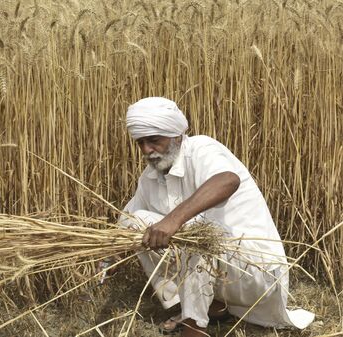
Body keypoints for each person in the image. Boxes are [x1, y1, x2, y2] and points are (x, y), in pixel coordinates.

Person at [117, 97, 314, 337]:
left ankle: (194, 328)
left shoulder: (201, 148)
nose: (147, 150)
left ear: (176, 135)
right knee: (135, 220)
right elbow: (126, 220)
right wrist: (106, 255)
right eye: (141, 142)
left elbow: (227, 180)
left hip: (255, 271)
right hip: (224, 274)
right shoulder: (150, 177)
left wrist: (172, 220)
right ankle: (210, 307)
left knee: (197, 232)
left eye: (154, 140)